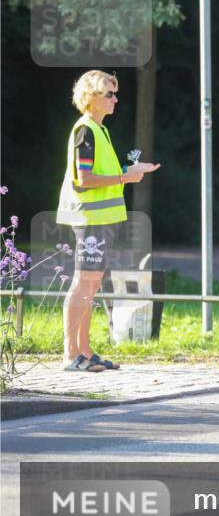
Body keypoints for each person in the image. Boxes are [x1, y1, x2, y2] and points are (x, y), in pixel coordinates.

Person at [56, 70, 161, 372]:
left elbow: (103, 176)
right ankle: (70, 355)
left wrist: (129, 170)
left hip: (100, 219)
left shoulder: (99, 130)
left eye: (115, 93)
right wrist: (124, 176)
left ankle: (85, 352)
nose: (115, 99)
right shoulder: (85, 130)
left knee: (90, 286)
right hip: (90, 219)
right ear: (91, 98)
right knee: (82, 285)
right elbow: (84, 179)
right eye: (109, 94)